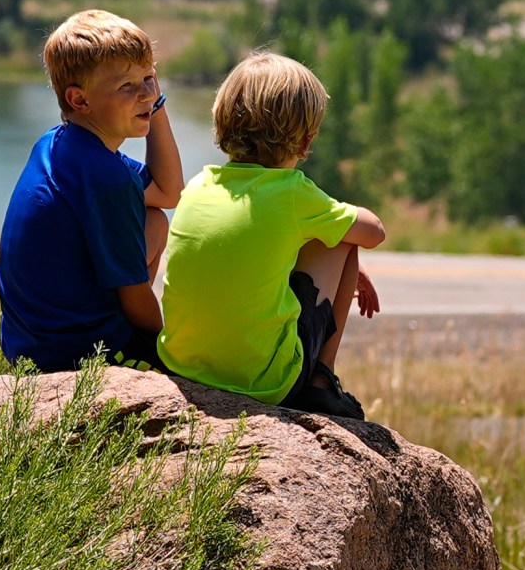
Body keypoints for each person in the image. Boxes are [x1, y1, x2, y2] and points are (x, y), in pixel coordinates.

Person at [159, 51, 385, 419]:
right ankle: (322, 383)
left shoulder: (199, 184)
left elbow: (252, 245)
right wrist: (339, 243)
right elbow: (373, 232)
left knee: (323, 229)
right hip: (262, 383)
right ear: (306, 139)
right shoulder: (293, 192)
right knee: (343, 236)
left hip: (183, 367)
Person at [0, 9, 184, 372]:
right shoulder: (106, 179)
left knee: (155, 221)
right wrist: (167, 347)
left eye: (149, 78)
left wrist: (152, 108)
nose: (146, 93)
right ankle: (131, 346)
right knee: (182, 362)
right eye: (126, 86)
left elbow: (166, 192)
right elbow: (134, 298)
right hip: (79, 354)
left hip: (29, 343)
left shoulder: (60, 145)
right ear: (79, 101)